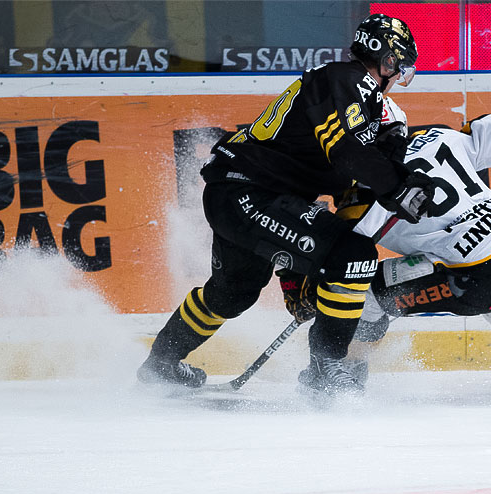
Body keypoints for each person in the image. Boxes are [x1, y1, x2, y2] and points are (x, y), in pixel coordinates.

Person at [137, 14, 433, 396]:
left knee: (234, 291)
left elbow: (337, 202)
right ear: (386, 59)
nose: (398, 78)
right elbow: (346, 152)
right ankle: (328, 367)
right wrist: (398, 186)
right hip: (248, 193)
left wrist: (299, 278)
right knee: (353, 254)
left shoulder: (368, 106)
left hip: (244, 195)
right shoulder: (346, 80)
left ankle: (159, 365)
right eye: (399, 66)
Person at [331, 97, 491, 388]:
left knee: (361, 291)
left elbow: (344, 258)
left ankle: (344, 373)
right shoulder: (440, 137)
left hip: (473, 279)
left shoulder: (366, 193)